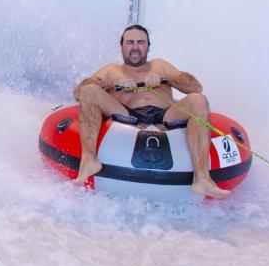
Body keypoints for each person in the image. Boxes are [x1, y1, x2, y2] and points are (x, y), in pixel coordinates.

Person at [71, 24, 230, 198]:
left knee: (199, 100)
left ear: (148, 46)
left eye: (140, 42)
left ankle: (202, 178)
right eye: (130, 42)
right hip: (127, 115)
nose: (135, 47)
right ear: (122, 46)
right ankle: (88, 160)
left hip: (164, 115)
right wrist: (111, 84)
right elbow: (79, 93)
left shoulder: (160, 65)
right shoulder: (111, 70)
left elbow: (195, 87)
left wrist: (166, 78)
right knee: (89, 91)